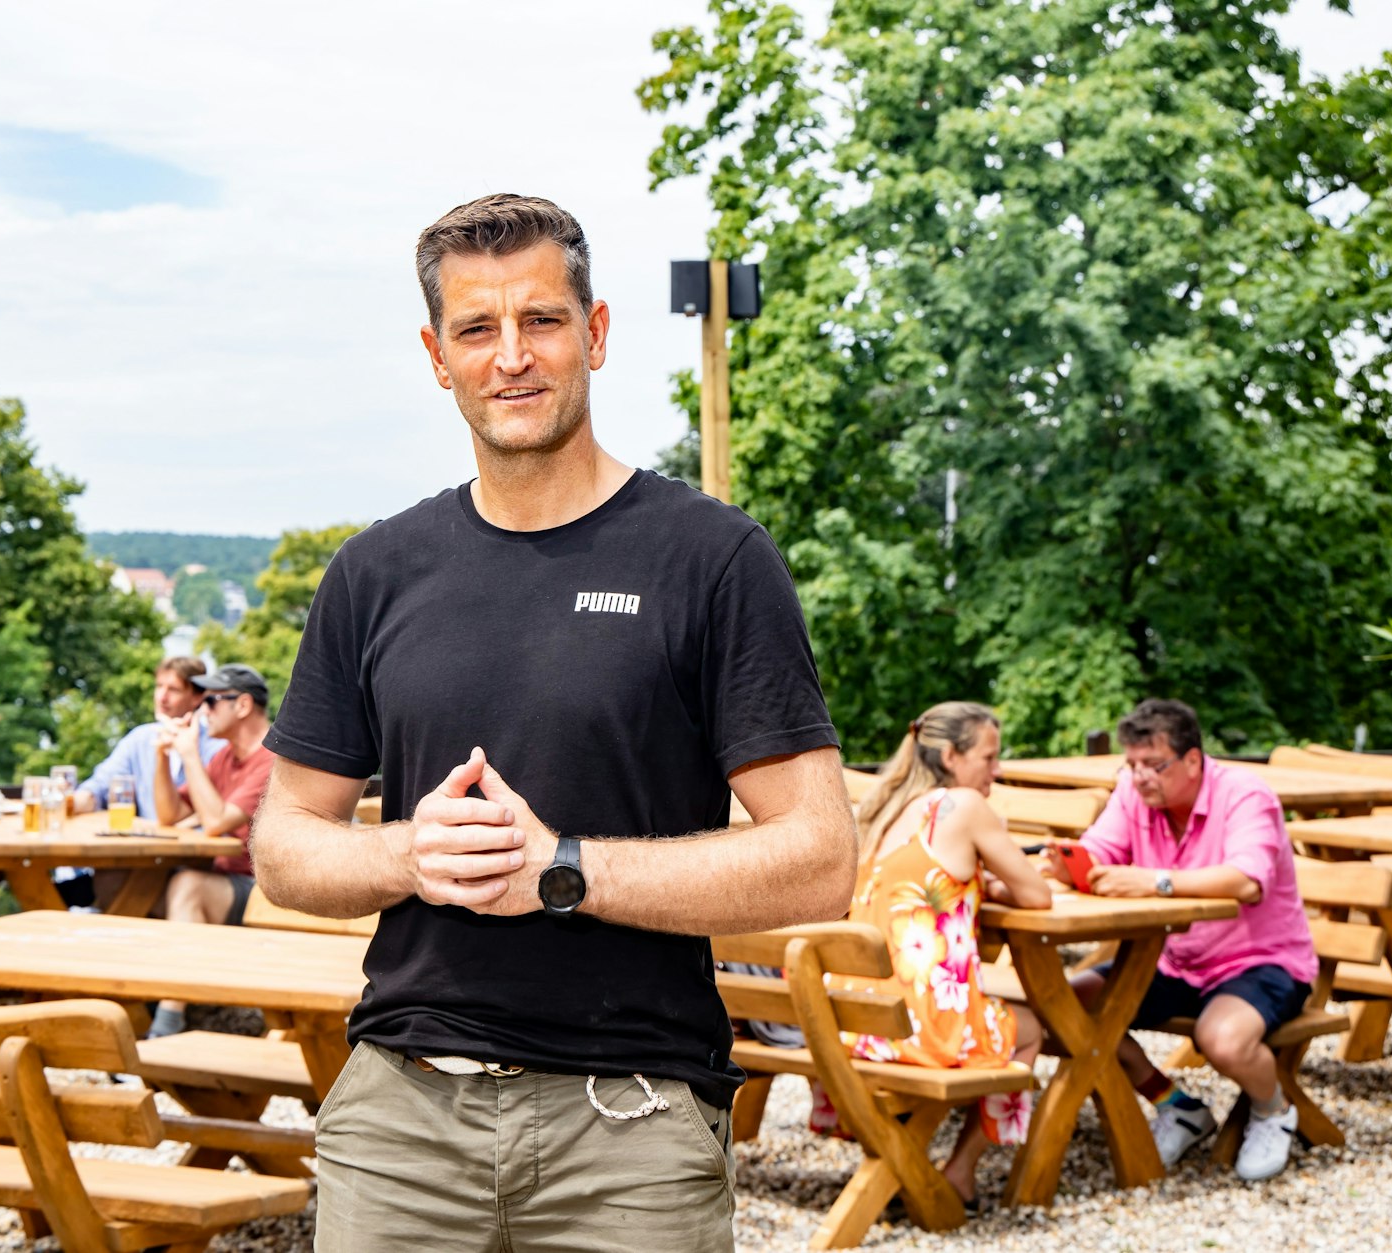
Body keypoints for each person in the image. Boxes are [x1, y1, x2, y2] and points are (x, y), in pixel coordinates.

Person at [251, 193, 857, 1251]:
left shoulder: (710, 559)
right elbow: (283, 845)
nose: (511, 356)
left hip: (627, 1123)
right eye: (476, 330)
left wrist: (562, 870)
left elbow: (818, 857)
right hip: (401, 1116)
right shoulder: (374, 572)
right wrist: (407, 854)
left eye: (540, 320)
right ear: (437, 356)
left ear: (597, 331)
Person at [1055, 698, 1317, 1182]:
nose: (1139, 777)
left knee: (1221, 1040)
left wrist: (1155, 881)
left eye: (1153, 765)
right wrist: (1067, 862)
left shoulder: (1245, 796)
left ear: (1193, 760)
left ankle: (1273, 1110)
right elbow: (1100, 849)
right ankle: (1177, 1106)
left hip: (1259, 961)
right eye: (1131, 765)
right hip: (1174, 960)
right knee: (1064, 1012)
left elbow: (1245, 880)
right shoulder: (1134, 793)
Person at [824, 702, 1051, 1208]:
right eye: (989, 757)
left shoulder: (883, 808)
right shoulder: (963, 806)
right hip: (916, 1026)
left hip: (853, 1020)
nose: (998, 770)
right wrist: (995, 880)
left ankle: (907, 1159)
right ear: (951, 755)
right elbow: (1038, 895)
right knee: (1032, 1028)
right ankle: (960, 1172)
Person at [146, 663, 276, 1038]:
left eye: (213, 701)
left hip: (267, 893)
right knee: (139, 887)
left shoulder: (272, 761)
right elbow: (170, 814)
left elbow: (218, 821)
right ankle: (137, 1006)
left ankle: (168, 1020)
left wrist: (188, 755)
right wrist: (161, 755)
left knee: (187, 886)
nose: (203, 711)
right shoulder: (224, 757)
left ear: (243, 705)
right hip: (229, 882)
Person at [73, 656, 223, 814]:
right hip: (146, 838)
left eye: (173, 689)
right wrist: (68, 802)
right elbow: (100, 785)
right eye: (159, 686)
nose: (162, 697)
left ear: (197, 698)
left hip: (195, 838)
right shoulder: (140, 739)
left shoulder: (217, 748)